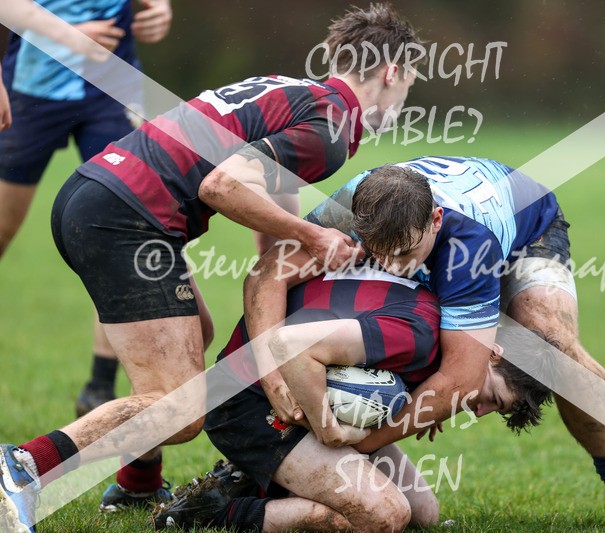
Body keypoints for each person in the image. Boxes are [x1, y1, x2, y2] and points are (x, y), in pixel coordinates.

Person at [0, 4, 422, 531]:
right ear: (391, 73)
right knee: (179, 407)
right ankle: (23, 468)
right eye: (409, 84)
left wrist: (278, 298)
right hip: (126, 219)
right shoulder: (331, 128)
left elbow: (270, 201)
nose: (405, 100)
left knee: (196, 332)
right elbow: (221, 186)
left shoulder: (299, 93)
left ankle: (138, 484)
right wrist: (314, 235)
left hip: (99, 193)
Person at [242, 156, 605, 533]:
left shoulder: (470, 247)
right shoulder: (356, 202)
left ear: (436, 221)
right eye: (378, 253)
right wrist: (271, 371)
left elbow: (460, 381)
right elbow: (268, 272)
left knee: (551, 346)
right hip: (426, 222)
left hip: (527, 227)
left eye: (406, 254)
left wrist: (349, 445)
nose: (392, 268)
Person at [152, 266, 553, 532]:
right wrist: (327, 431)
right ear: (494, 352)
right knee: (383, 515)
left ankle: (261, 477)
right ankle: (213, 512)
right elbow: (290, 346)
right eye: (492, 400)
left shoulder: (444, 327)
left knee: (423, 513)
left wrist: (431, 396)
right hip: (246, 397)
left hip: (292, 386)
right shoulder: (421, 335)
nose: (479, 411)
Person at [0, 0, 173, 418]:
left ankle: (100, 387)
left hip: (113, 92)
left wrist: (160, 9)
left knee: (125, 231)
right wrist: (69, 35)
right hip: (32, 87)